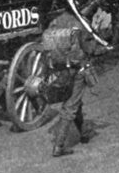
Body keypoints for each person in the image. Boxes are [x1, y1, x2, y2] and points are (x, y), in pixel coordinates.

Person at [44, 23, 105, 157]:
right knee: (70, 107)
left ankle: (83, 133)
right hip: (78, 69)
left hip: (63, 70)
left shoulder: (62, 25)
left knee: (76, 102)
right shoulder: (83, 27)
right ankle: (59, 146)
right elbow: (91, 49)